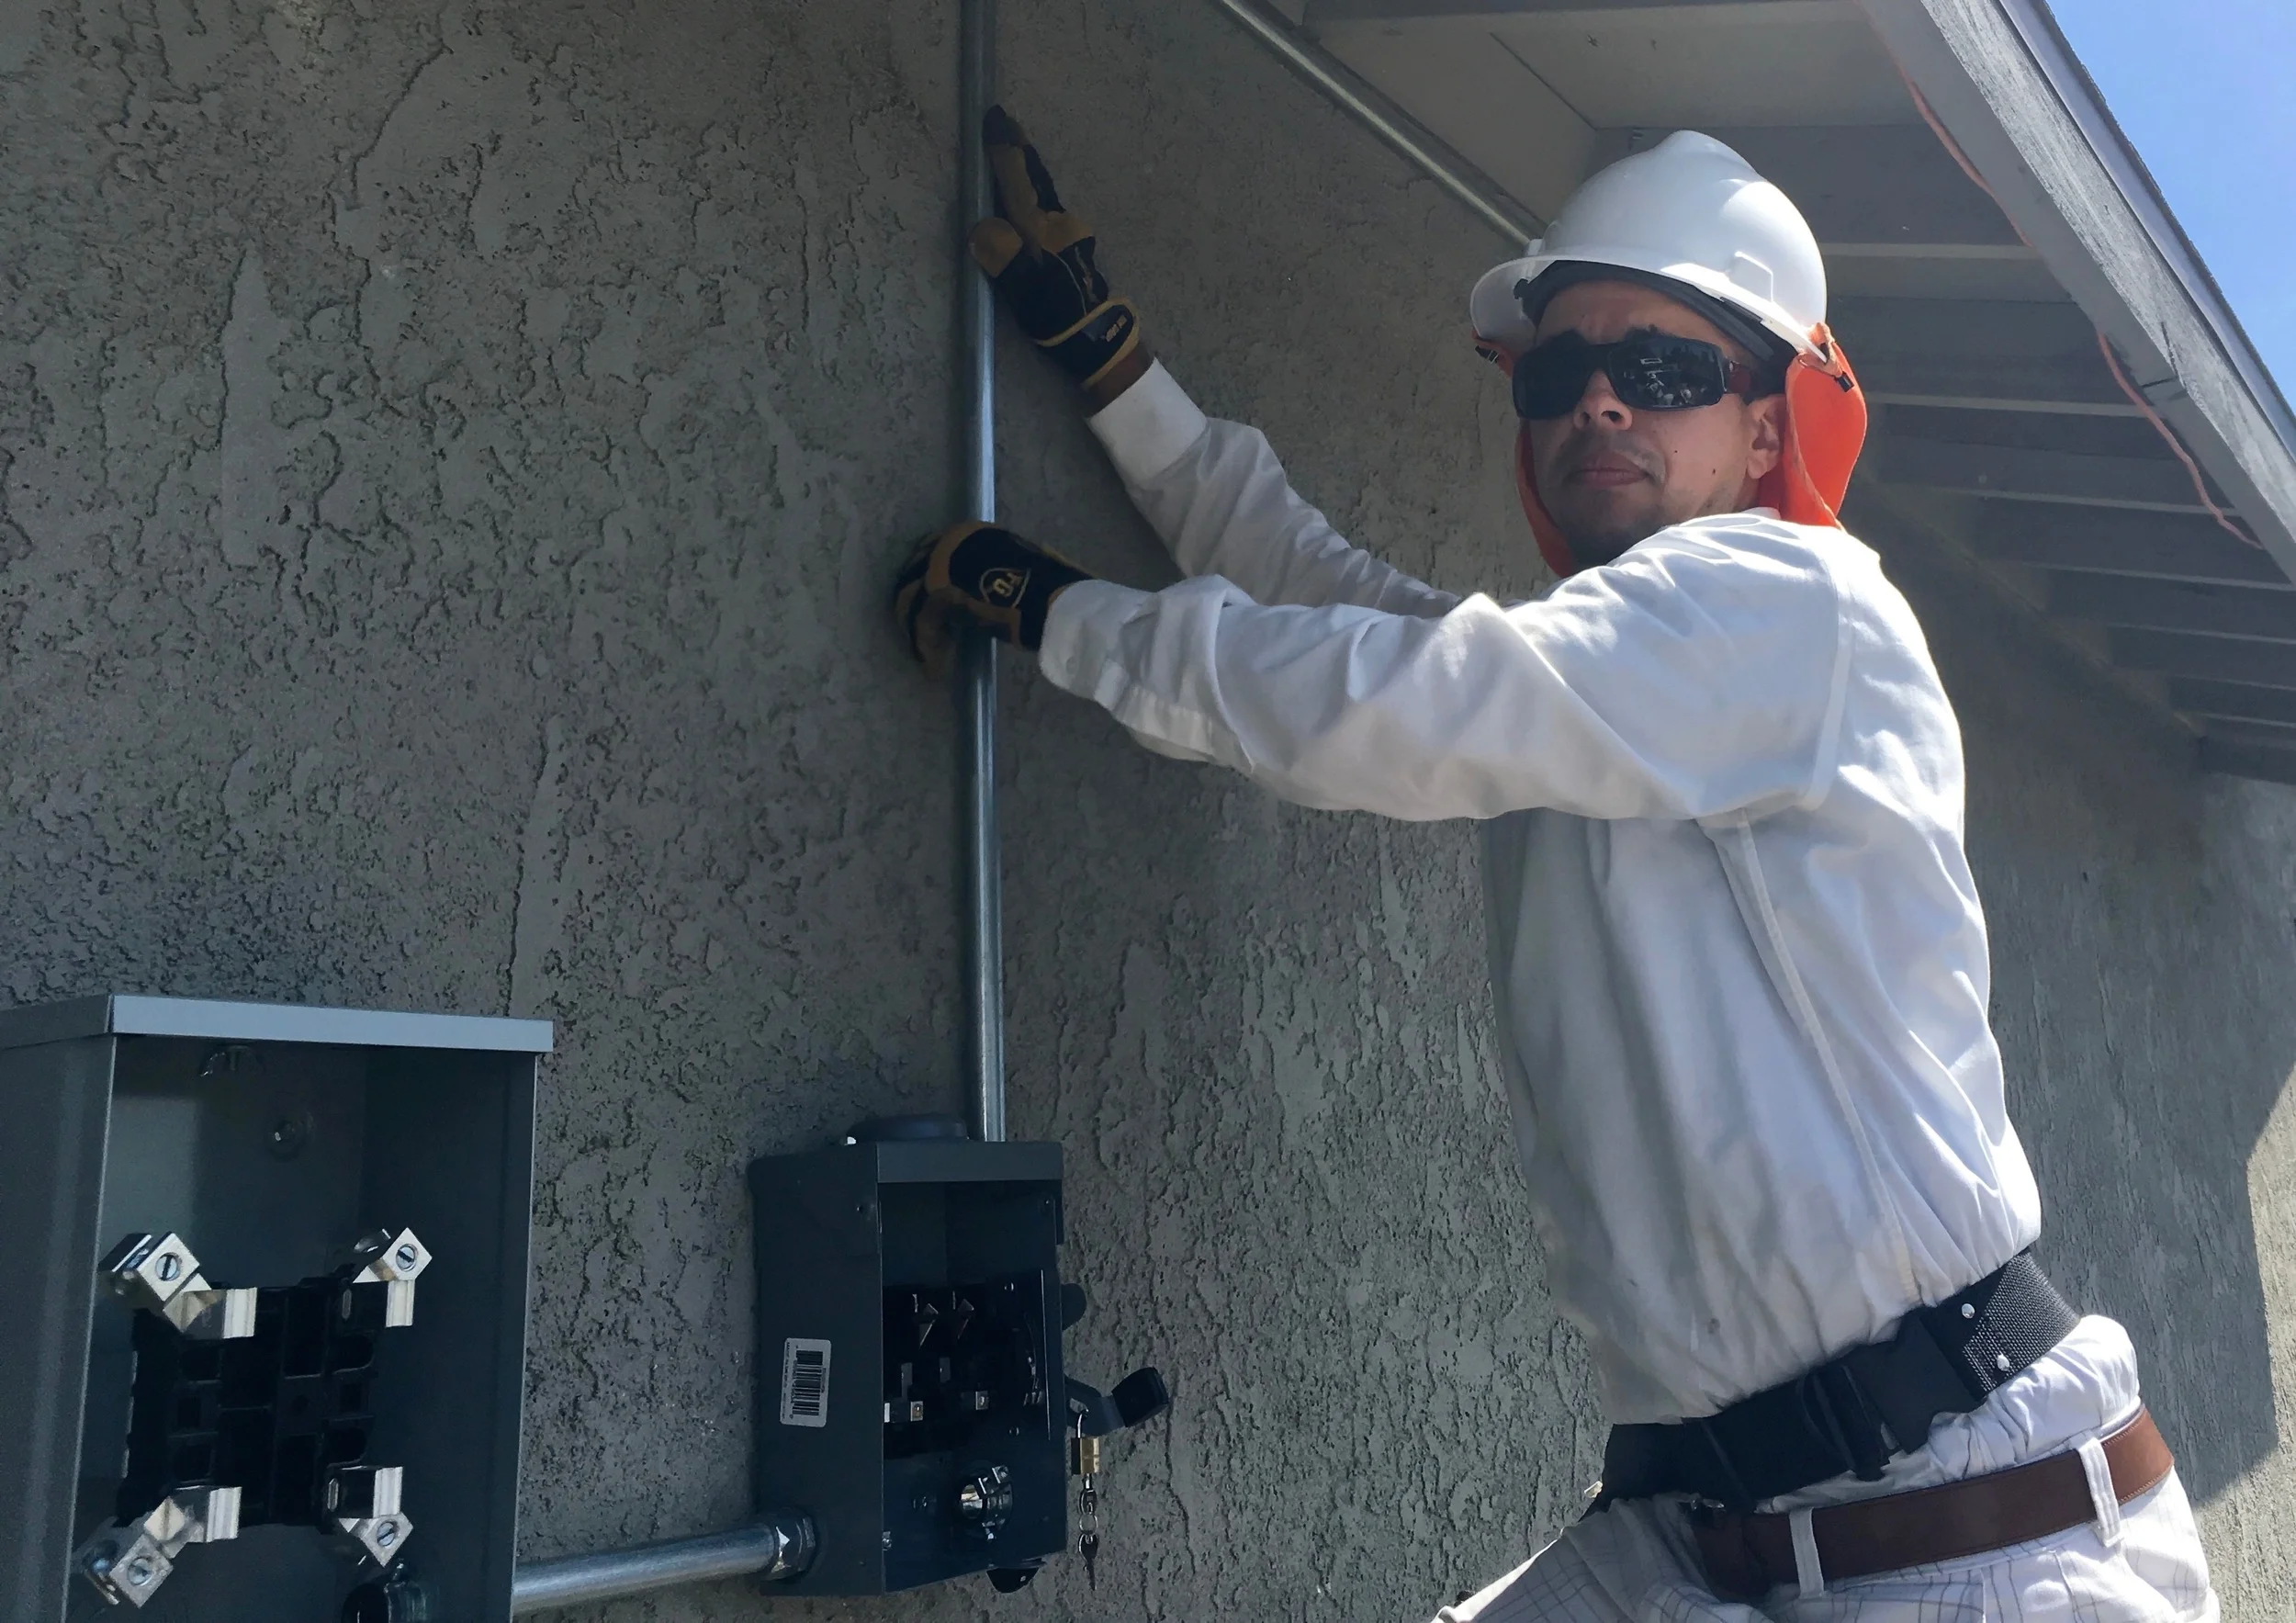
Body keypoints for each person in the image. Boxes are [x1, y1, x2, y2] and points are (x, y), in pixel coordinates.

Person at [895, 111, 2219, 1621]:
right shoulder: (1611, 689)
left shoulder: (1794, 603)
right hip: (1713, 1520)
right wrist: (1117, 375)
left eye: (1660, 370)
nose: (1595, 402)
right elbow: (1342, 605)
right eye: (1555, 371)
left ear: (1770, 426)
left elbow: (1393, 699)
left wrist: (1063, 612)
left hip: (1975, 1533)